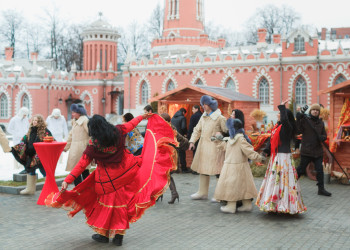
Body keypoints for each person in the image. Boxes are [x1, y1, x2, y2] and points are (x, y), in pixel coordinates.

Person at [45, 113, 176, 246]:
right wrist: (143, 116)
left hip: (107, 181)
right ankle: (118, 237)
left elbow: (81, 164)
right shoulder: (118, 131)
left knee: (107, 208)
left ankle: (104, 235)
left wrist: (68, 180)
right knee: (121, 206)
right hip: (125, 173)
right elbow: (131, 124)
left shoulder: (93, 144)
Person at [256, 100, 307, 214]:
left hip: (284, 158)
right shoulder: (276, 128)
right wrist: (265, 152)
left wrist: (282, 107)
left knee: (283, 181)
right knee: (275, 181)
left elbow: (284, 119)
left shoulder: (287, 127)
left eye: (280, 113)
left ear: (285, 116)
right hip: (276, 157)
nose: (278, 115)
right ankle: (272, 205)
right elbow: (271, 141)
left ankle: (283, 206)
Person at [214, 118, 264, 213]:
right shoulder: (231, 139)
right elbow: (225, 147)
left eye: (229, 128)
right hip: (237, 166)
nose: (227, 130)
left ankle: (231, 206)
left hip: (234, 167)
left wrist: (259, 158)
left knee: (231, 186)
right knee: (243, 186)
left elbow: (249, 151)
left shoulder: (240, 139)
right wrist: (217, 141)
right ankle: (247, 205)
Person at [188, 95, 227, 201]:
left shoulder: (220, 118)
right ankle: (202, 192)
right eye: (202, 104)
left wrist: (221, 134)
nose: (203, 106)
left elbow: (227, 131)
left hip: (216, 147)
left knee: (218, 170)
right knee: (203, 169)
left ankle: (220, 195)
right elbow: (197, 129)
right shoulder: (203, 116)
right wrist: (192, 141)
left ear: (210, 105)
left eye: (205, 104)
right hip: (203, 147)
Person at [296, 103, 332, 196]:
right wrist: (298, 117)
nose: (315, 111)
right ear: (311, 111)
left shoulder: (321, 123)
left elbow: (324, 135)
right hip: (306, 150)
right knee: (301, 170)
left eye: (317, 110)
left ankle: (321, 189)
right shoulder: (305, 120)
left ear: (319, 112)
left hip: (317, 151)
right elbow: (298, 129)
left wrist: (322, 138)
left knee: (320, 170)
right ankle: (290, 184)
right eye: (313, 110)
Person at [12, 114, 53, 195]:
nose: (34, 122)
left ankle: (50, 189)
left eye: (36, 120)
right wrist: (16, 148)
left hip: (40, 155)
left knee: (43, 171)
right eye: (33, 120)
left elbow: (49, 141)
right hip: (31, 154)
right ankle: (30, 189)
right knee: (31, 170)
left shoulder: (45, 131)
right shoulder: (30, 130)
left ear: (40, 122)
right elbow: (24, 140)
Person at [161, 112, 190, 204]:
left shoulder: (167, 129)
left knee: (163, 174)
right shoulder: (170, 129)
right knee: (164, 175)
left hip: (166, 155)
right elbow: (181, 140)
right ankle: (172, 194)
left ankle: (169, 194)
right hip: (166, 155)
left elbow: (181, 140)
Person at [64, 104, 90, 186]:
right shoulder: (74, 122)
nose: (72, 114)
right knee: (77, 169)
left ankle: (86, 188)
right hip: (75, 149)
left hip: (82, 149)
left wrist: (90, 146)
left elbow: (90, 134)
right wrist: (66, 147)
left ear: (79, 113)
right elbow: (71, 136)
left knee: (82, 169)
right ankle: (79, 189)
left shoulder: (85, 121)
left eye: (74, 112)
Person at [8, 107, 30, 172]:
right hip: (16, 139)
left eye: (26, 115)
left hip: (24, 139)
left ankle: (21, 166)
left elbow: (28, 127)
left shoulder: (26, 119)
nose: (25, 116)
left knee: (23, 152)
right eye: (24, 114)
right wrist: (16, 133)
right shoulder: (14, 119)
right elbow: (9, 129)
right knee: (16, 152)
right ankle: (15, 166)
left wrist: (27, 134)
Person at [171, 108, 189, 173]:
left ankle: (176, 168)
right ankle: (184, 168)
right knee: (182, 153)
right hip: (180, 137)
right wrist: (185, 134)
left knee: (175, 153)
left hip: (173, 138)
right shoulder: (182, 118)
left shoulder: (173, 118)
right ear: (183, 112)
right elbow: (183, 127)